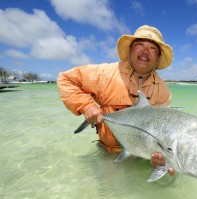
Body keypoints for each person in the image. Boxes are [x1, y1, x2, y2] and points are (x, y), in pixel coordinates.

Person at [57, 25, 175, 175]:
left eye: (153, 48)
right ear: (130, 50)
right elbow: (65, 79)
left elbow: (163, 132)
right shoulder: (105, 73)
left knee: (167, 183)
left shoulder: (163, 91)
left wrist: (166, 159)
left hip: (143, 157)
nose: (145, 51)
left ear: (158, 58)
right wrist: (87, 106)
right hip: (109, 152)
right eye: (140, 44)